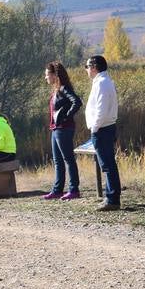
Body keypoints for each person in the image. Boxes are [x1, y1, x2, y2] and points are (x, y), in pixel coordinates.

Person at [84, 55, 120, 211]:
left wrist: (95, 127)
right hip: (104, 128)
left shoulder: (102, 83)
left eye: (87, 67)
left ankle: (112, 199)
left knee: (107, 165)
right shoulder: (102, 82)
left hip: (102, 129)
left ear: (94, 67)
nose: (86, 70)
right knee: (108, 164)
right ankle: (111, 197)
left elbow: (101, 109)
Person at [44, 62, 83, 200]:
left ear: (55, 75)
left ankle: (74, 190)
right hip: (56, 129)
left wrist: (66, 116)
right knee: (58, 161)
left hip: (64, 129)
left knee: (68, 159)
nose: (45, 77)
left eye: (47, 74)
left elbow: (77, 102)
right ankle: (57, 190)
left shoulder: (64, 88)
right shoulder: (56, 89)